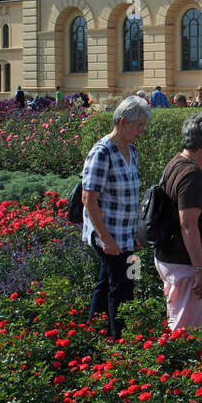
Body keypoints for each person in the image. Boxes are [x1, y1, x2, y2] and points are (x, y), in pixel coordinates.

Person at [81, 95, 150, 338]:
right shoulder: (102, 152)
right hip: (109, 236)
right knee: (121, 289)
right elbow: (88, 199)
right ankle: (118, 342)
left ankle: (93, 335)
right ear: (123, 122)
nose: (142, 131)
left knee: (106, 284)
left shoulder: (131, 150)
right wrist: (105, 238)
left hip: (125, 235)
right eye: (139, 125)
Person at [153, 112, 202, 331]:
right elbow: (188, 224)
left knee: (178, 323)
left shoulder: (176, 163)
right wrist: (200, 270)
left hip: (172, 257)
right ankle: (179, 366)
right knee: (186, 331)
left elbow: (188, 207)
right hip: (186, 263)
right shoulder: (190, 175)